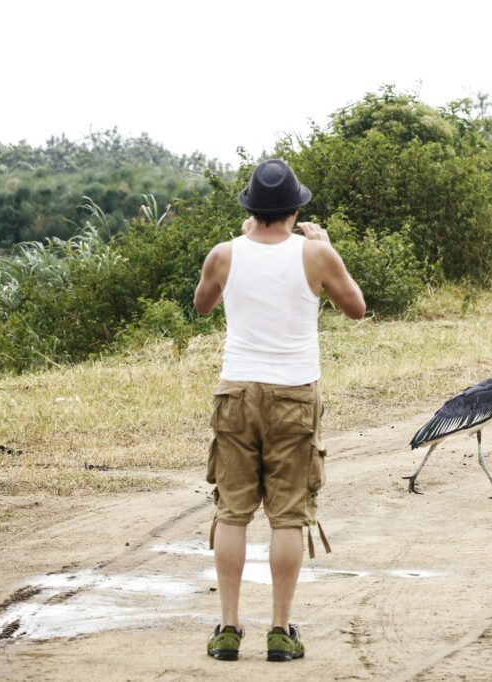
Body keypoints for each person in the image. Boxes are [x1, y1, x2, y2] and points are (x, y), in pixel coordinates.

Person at [193, 158, 366, 662]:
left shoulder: (224, 254)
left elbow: (202, 303)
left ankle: (228, 628)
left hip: (236, 392)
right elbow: (356, 308)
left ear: (252, 210)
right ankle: (280, 630)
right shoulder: (315, 255)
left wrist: (238, 243)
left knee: (233, 511)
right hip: (294, 393)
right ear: (295, 210)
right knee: (288, 515)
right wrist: (326, 248)